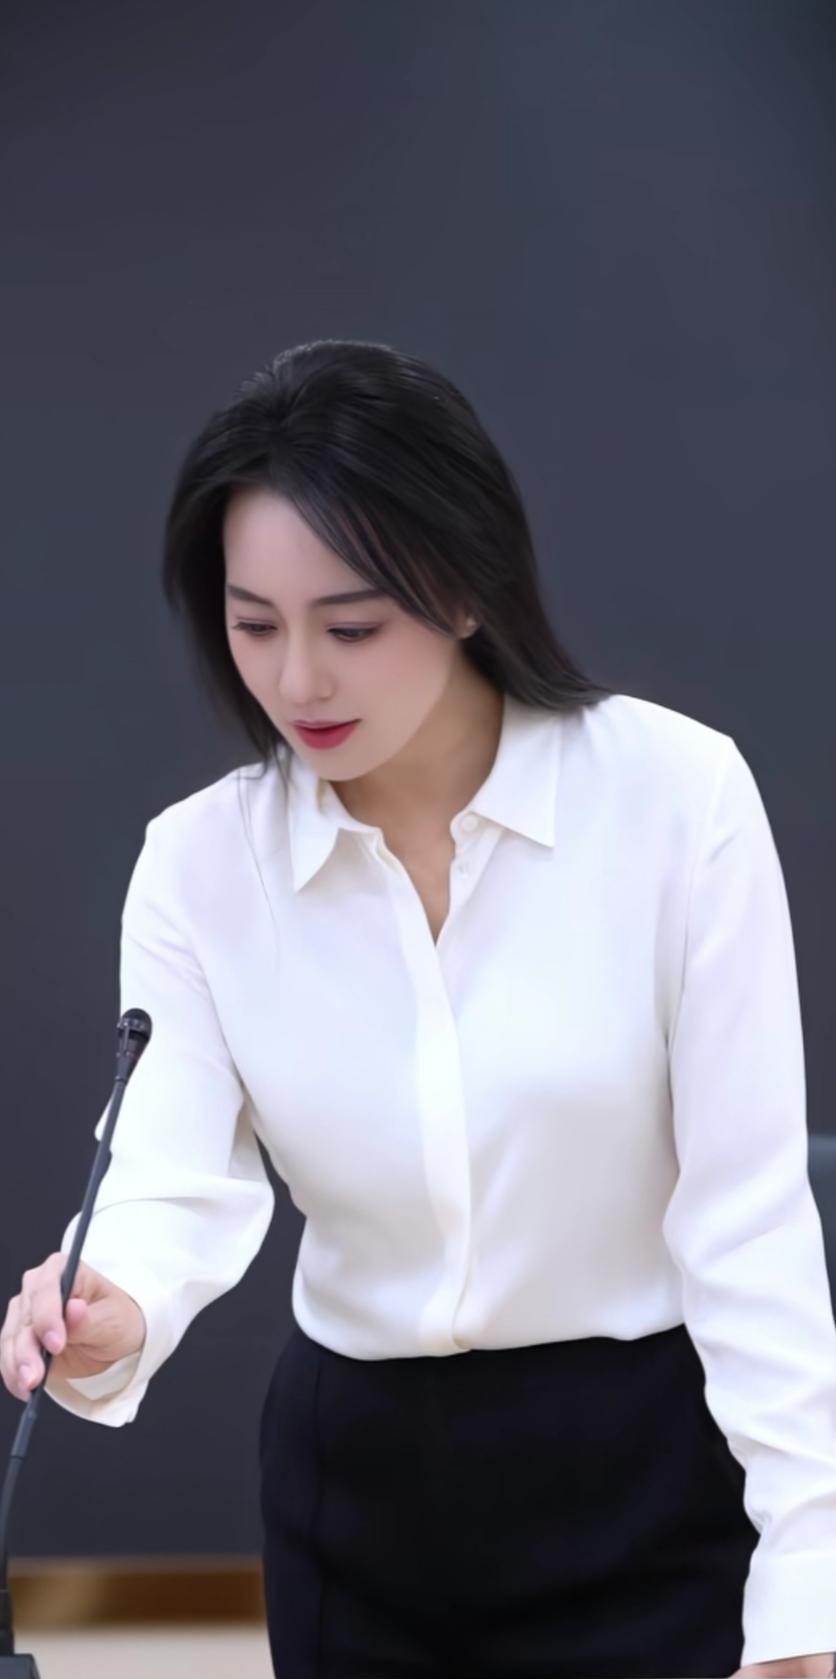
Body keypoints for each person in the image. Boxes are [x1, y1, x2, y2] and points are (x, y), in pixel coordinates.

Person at [2, 338, 835, 1679]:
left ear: (463, 588)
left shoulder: (678, 801)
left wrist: (810, 1590)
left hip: (648, 1473)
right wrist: (115, 1306)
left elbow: (749, 1223)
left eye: (350, 628)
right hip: (360, 1497)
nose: (298, 682)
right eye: (253, 624)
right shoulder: (200, 865)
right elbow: (168, 1183)